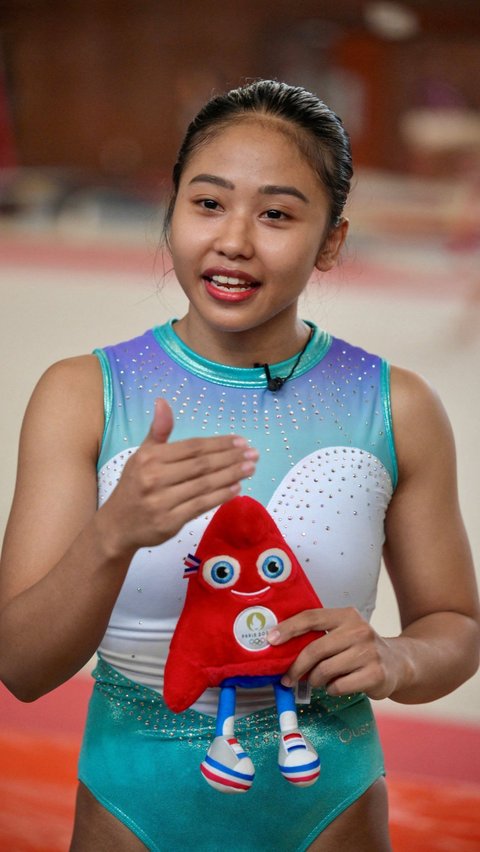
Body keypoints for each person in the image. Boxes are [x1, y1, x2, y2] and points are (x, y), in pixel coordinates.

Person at [0, 79, 478, 852]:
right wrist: (111, 535)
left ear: (331, 242)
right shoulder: (83, 394)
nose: (235, 241)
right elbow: (20, 666)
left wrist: (396, 656)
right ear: (173, 211)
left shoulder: (398, 406)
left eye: (278, 215)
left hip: (331, 812)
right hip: (133, 811)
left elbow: (456, 625)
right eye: (208, 204)